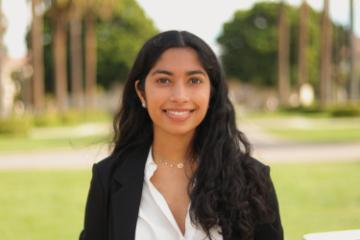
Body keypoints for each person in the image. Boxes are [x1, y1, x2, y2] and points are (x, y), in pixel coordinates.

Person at [79, 30, 283, 240]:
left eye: (194, 81)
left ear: (211, 92)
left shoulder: (252, 179)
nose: (179, 96)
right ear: (141, 92)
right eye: (164, 81)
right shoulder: (108, 178)